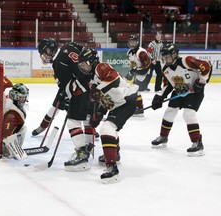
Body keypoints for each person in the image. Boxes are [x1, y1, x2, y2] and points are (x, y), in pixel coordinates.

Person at [78, 47, 139, 183]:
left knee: (107, 129)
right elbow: (105, 99)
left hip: (126, 101)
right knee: (109, 127)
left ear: (91, 61)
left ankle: (112, 168)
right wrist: (98, 115)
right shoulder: (93, 78)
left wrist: (98, 90)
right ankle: (114, 153)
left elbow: (113, 78)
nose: (82, 67)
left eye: (83, 64)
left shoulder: (101, 67)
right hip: (117, 104)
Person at [36, 38, 96, 171]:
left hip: (81, 89)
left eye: (44, 53)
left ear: (49, 49)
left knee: (73, 122)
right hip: (93, 87)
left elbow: (68, 84)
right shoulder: (69, 46)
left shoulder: (58, 62)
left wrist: (66, 94)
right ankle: (88, 148)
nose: (44, 56)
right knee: (87, 119)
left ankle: (81, 155)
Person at [150, 43, 212, 157]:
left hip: (194, 92)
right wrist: (161, 97)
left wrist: (201, 82)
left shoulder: (186, 60)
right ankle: (163, 137)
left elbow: (206, 66)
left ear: (175, 54)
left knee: (188, 114)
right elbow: (168, 84)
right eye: (164, 56)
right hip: (179, 91)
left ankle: (197, 142)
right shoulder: (166, 69)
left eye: (168, 56)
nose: (166, 58)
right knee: (169, 112)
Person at [0, 77, 29, 159]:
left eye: (24, 97)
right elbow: (7, 133)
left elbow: (4, 82)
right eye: (21, 97)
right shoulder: (11, 109)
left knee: (8, 126)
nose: (23, 100)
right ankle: (1, 143)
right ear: (15, 96)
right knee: (20, 129)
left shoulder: (10, 97)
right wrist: (6, 147)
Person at [125, 34, 151, 117]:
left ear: (137, 42)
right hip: (137, 74)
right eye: (131, 42)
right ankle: (137, 107)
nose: (132, 44)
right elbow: (133, 66)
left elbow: (147, 66)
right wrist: (131, 72)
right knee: (133, 90)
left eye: (134, 42)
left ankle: (139, 108)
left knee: (135, 91)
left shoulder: (141, 52)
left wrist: (136, 72)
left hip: (144, 74)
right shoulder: (129, 52)